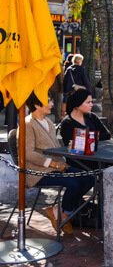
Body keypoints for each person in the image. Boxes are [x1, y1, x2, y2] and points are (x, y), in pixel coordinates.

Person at [24, 94, 95, 234]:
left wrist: (69, 147)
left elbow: (56, 147)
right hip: (37, 172)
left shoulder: (48, 122)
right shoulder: (28, 124)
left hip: (56, 166)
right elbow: (28, 154)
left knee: (89, 177)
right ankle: (65, 214)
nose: (52, 104)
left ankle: (62, 213)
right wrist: (53, 164)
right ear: (37, 105)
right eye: (48, 101)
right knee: (73, 183)